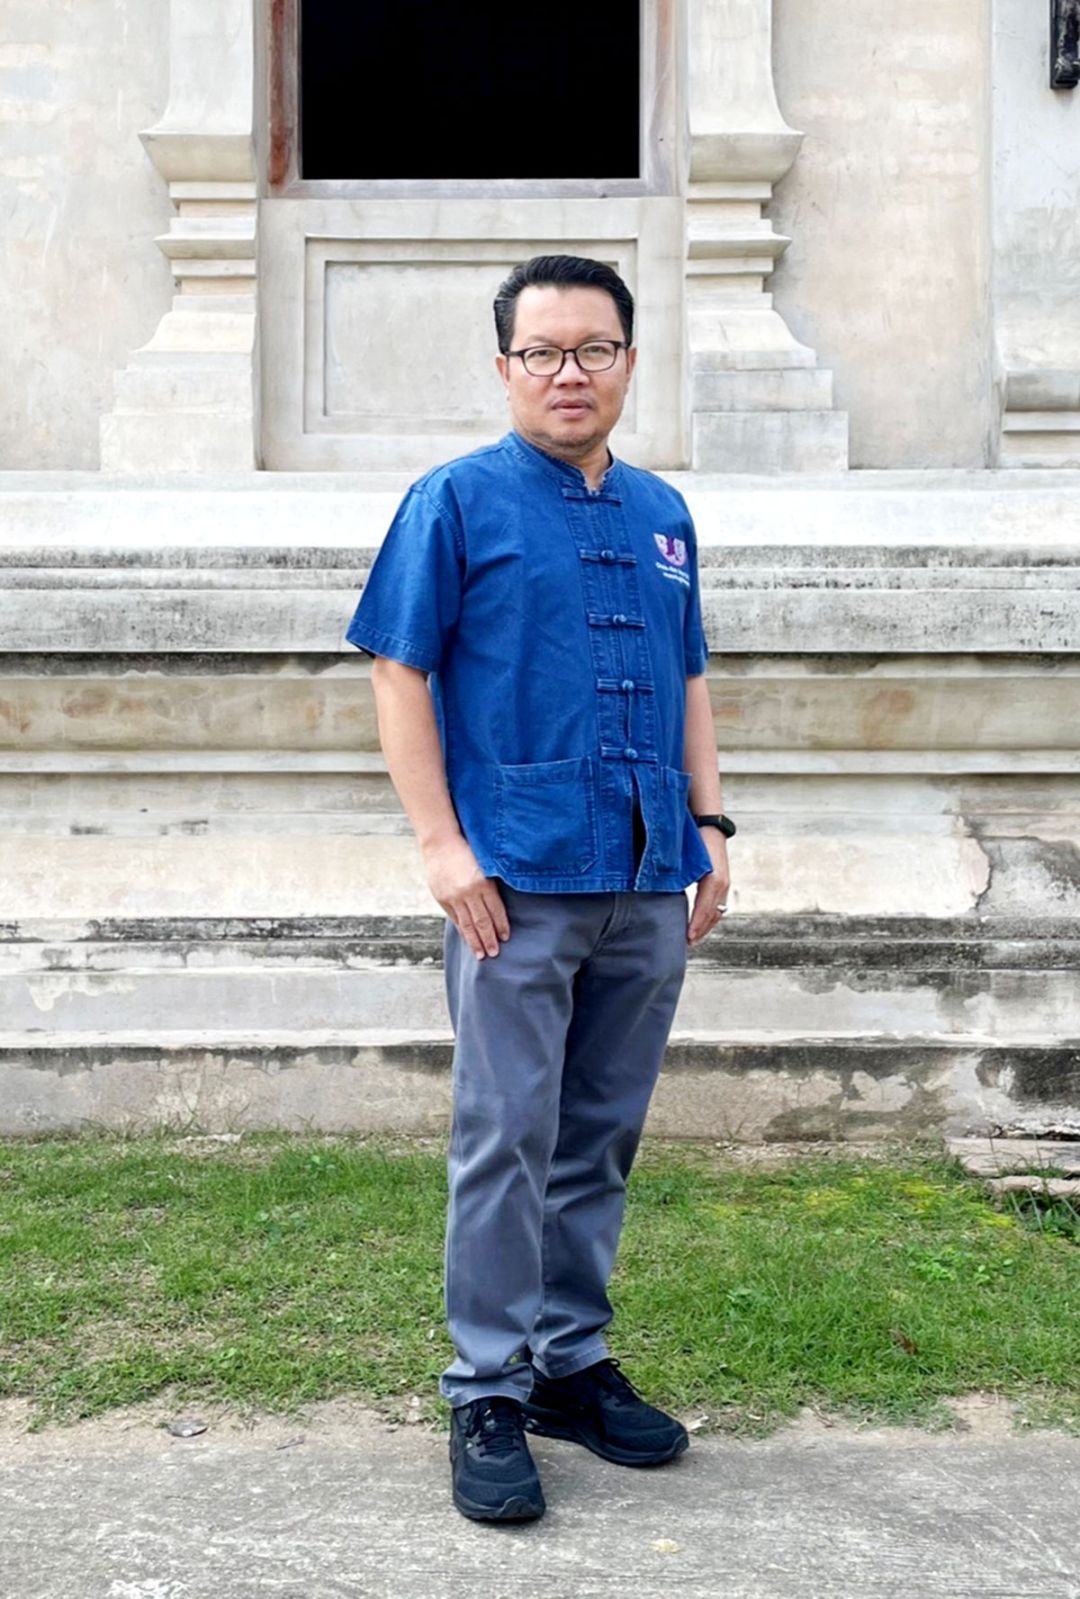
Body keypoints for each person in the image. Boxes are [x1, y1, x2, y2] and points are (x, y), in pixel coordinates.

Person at [345, 254, 733, 1523]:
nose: (571, 373)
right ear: (506, 366)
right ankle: (486, 1388)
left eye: (595, 349)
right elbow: (398, 671)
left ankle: (570, 1362)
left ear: (629, 360)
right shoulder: (454, 501)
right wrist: (440, 847)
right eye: (544, 352)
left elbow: (687, 675)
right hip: (511, 881)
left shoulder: (664, 512)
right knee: (506, 1135)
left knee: (599, 1132)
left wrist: (710, 822)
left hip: (648, 870)